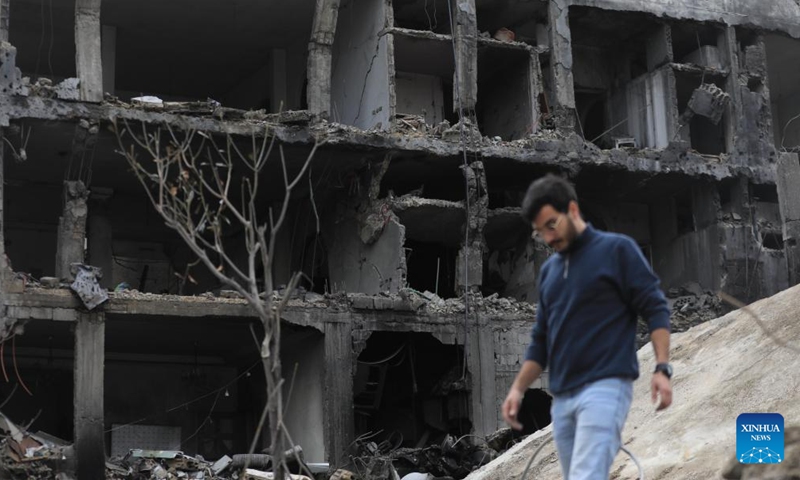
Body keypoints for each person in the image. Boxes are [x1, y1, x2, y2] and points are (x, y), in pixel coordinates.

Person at [501, 174, 673, 479]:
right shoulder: (551, 273)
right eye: (541, 232)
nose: (549, 237)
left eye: (552, 224)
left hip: (606, 388)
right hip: (564, 400)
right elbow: (540, 341)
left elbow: (655, 308)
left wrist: (662, 367)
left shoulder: (618, 251)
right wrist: (517, 390)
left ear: (573, 210)